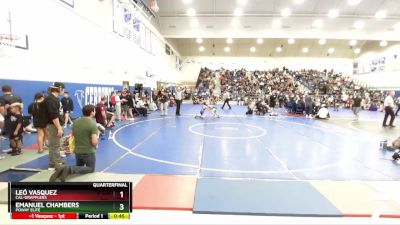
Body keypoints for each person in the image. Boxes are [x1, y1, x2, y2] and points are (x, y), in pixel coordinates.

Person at [50, 105, 99, 182]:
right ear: (92, 112)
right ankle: (69, 169)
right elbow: (94, 142)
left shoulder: (76, 122)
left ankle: (62, 171)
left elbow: (72, 136)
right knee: (90, 169)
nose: (95, 112)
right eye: (94, 110)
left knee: (79, 168)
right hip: (88, 152)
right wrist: (96, 144)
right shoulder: (92, 124)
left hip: (77, 152)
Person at [43, 82, 65, 170]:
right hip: (54, 126)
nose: (63, 92)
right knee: (54, 145)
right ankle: (53, 164)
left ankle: (57, 160)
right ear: (60, 88)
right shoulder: (51, 99)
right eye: (63, 90)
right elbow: (53, 115)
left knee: (57, 144)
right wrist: (59, 128)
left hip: (56, 124)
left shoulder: (54, 98)